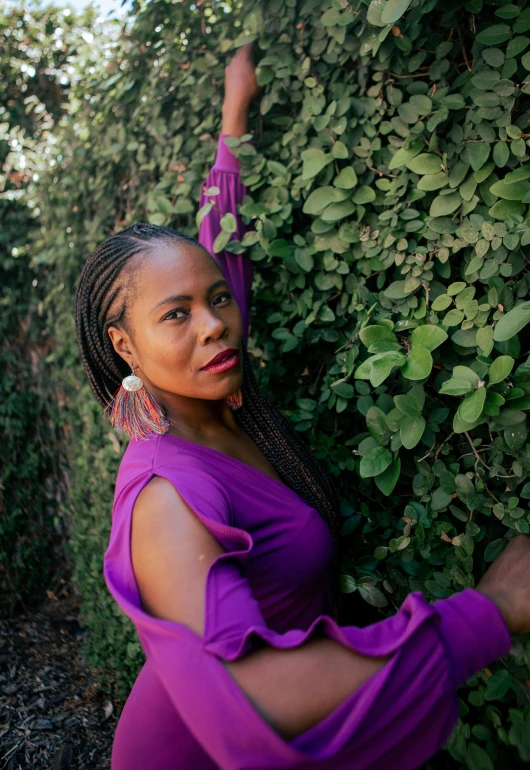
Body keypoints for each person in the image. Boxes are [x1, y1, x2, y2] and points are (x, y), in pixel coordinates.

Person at [74, 44, 530, 770]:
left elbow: (221, 239)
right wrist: (492, 611)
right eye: (176, 315)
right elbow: (254, 696)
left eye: (216, 300)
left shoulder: (225, 388)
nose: (215, 323)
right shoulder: (165, 502)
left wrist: (235, 110)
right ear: (125, 346)